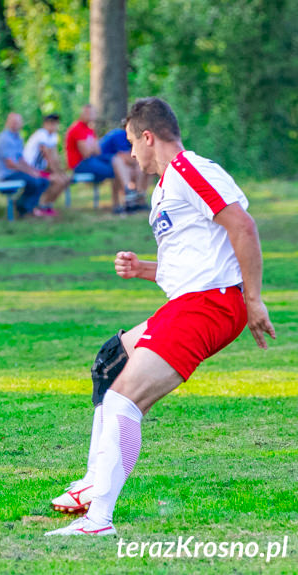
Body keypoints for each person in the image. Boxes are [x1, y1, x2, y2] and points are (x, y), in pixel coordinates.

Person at [45, 97, 276, 537]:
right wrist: (145, 269)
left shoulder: (191, 170)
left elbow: (242, 227)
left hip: (209, 304)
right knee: (109, 361)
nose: (132, 154)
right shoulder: (169, 184)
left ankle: (98, 520)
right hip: (192, 300)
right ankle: (93, 483)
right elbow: (198, 258)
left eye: (133, 143)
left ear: (149, 137)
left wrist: (254, 299)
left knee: (123, 400)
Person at [65, 104, 133, 214]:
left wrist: (90, 146)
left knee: (117, 161)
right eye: (88, 113)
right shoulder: (77, 129)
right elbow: (86, 153)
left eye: (93, 113)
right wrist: (91, 147)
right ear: (82, 114)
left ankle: (124, 198)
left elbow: (97, 151)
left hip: (91, 161)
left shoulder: (89, 130)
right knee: (117, 168)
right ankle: (121, 200)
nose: (91, 116)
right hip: (80, 165)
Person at [0, 112, 50, 218]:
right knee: (34, 182)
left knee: (43, 181)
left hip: (17, 172)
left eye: (17, 122)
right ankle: (23, 209)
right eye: (13, 122)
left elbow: (21, 159)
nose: (15, 124)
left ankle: (25, 206)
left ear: (21, 124)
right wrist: (30, 172)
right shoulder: (5, 139)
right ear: (7, 123)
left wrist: (33, 171)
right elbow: (10, 164)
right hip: (7, 174)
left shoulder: (17, 138)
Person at [22, 113, 72, 215]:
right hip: (31, 170)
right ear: (45, 124)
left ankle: (48, 205)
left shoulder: (53, 136)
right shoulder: (41, 134)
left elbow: (55, 156)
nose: (53, 126)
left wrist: (61, 171)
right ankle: (42, 206)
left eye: (55, 123)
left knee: (65, 180)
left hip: (41, 170)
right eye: (51, 123)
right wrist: (57, 173)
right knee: (59, 181)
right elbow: (48, 155)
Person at [99, 122, 149, 211]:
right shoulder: (120, 135)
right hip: (102, 163)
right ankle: (128, 196)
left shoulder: (135, 137)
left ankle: (139, 198)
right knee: (120, 163)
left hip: (117, 164)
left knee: (139, 167)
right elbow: (125, 157)